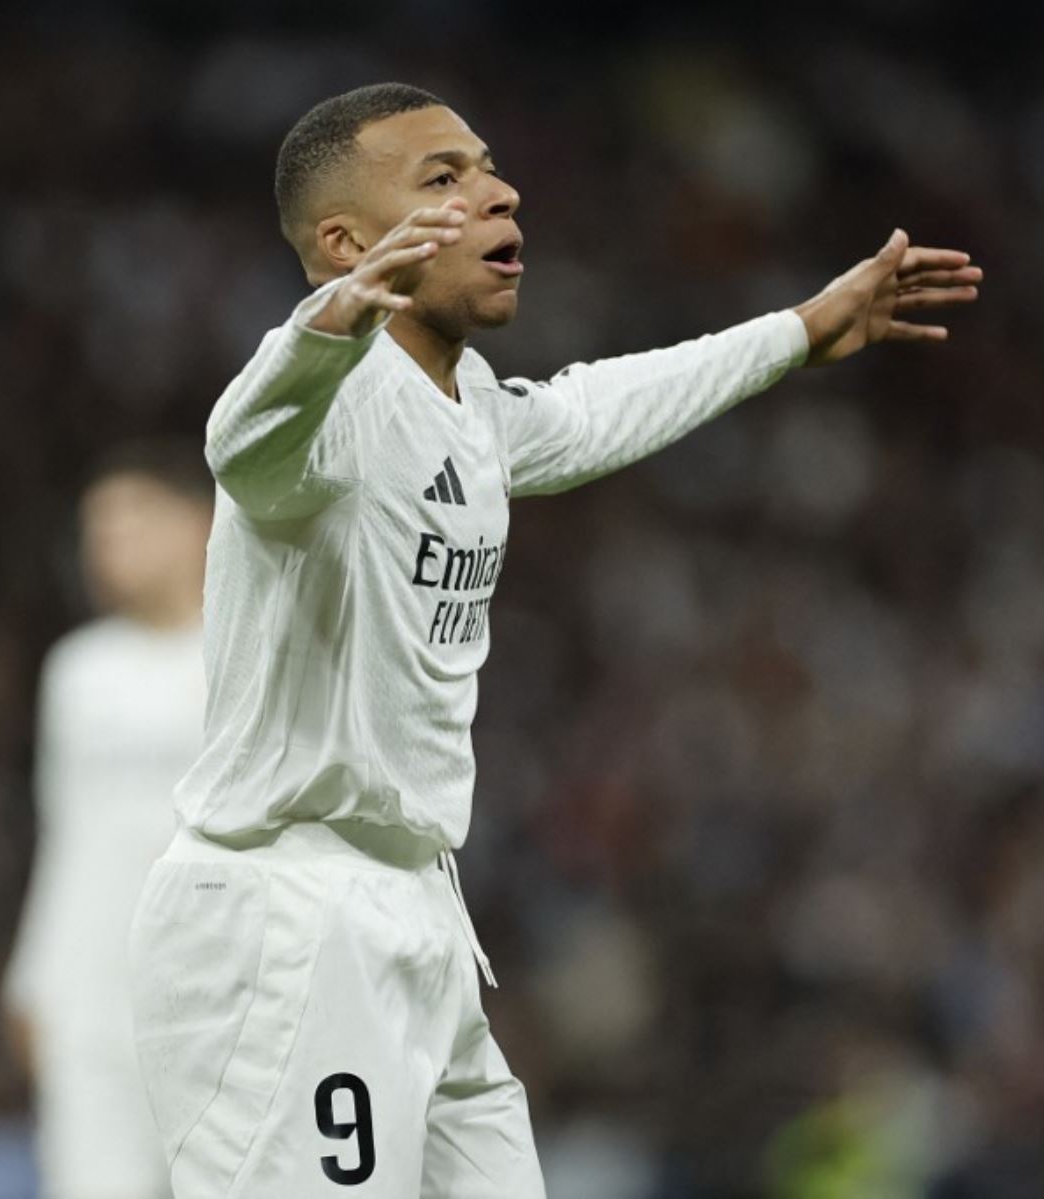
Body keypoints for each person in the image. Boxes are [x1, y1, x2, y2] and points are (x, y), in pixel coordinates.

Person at [128, 81, 981, 1197]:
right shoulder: (326, 414)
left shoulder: (468, 406)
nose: (498, 191)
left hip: (417, 906)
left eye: (487, 167)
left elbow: (596, 407)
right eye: (444, 179)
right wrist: (329, 321)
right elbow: (242, 441)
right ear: (346, 241)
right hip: (285, 913)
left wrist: (798, 331)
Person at [5, 443, 211, 1199]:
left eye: (131, 520)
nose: (107, 545)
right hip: (92, 998)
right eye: (97, 529)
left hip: (224, 992)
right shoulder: (77, 671)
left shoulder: (253, 654)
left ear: (198, 522)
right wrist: (33, 977)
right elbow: (62, 830)